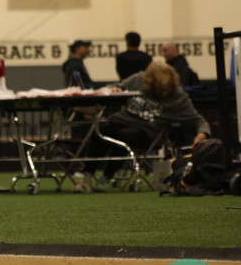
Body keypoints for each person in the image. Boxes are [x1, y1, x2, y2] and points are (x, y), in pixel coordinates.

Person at [76, 62, 211, 192]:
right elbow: (114, 86)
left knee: (119, 137)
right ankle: (87, 177)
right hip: (120, 122)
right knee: (101, 131)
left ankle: (106, 177)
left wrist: (202, 134)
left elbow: (198, 120)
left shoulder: (179, 98)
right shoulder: (138, 79)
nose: (164, 94)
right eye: (159, 90)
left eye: (167, 90)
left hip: (146, 132)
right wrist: (114, 89)